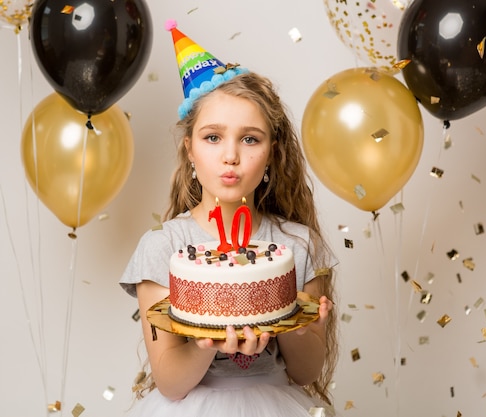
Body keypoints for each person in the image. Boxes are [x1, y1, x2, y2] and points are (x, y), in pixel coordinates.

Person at [119, 21, 338, 417]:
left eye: (250, 138)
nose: (231, 156)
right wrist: (209, 345)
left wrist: (300, 326)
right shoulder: (162, 247)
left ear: (272, 153)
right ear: (189, 149)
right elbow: (169, 380)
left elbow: (306, 372)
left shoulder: (300, 245)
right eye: (213, 137)